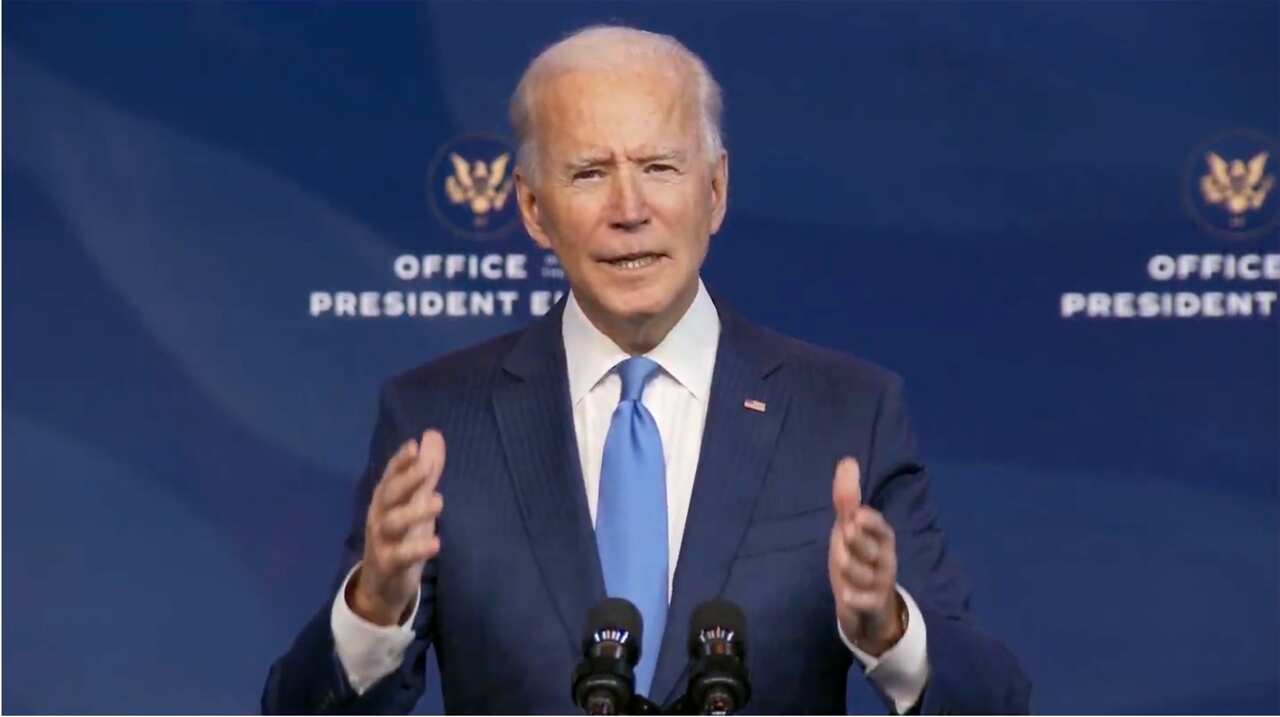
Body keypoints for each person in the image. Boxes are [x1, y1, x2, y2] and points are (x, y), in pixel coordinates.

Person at [262, 25, 1030, 715]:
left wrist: (889, 630)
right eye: (590, 173)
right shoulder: (436, 417)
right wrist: (373, 609)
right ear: (532, 208)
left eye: (660, 166)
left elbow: (994, 702)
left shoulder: (845, 410)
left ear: (716, 189)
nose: (629, 209)